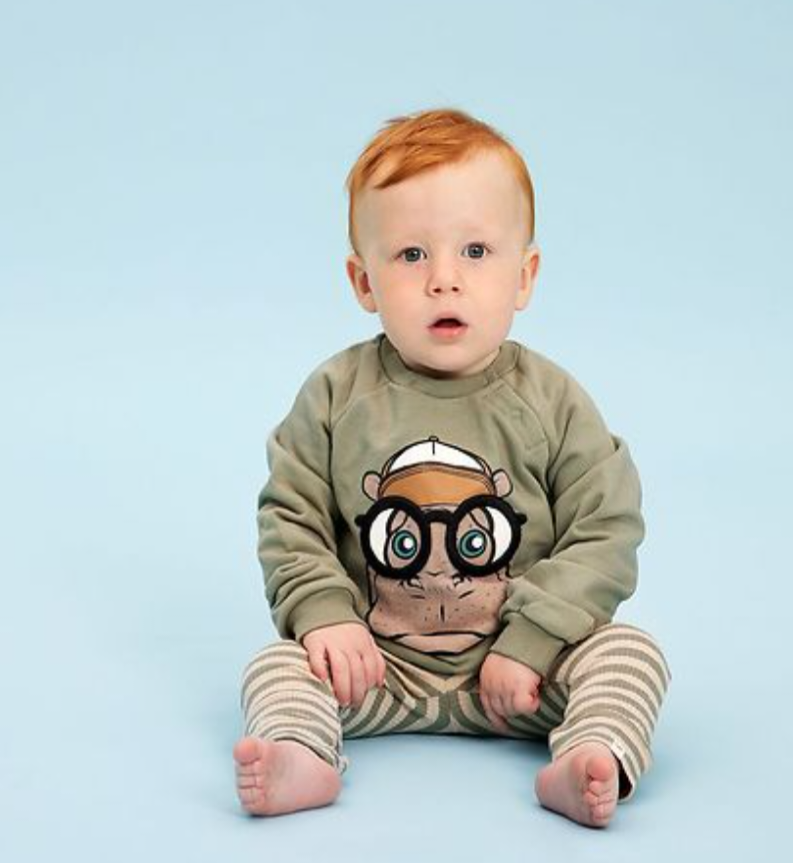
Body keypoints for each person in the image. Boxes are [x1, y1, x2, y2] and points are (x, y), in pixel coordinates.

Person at [233, 107, 671, 828]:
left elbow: (606, 528)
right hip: (378, 668)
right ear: (363, 281)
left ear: (523, 275)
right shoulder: (337, 396)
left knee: (631, 654)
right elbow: (291, 515)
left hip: (526, 678)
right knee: (275, 665)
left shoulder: (551, 401)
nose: (444, 279)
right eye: (411, 254)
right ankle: (301, 751)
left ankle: (589, 753)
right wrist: (325, 618)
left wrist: (532, 643)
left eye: (475, 251)